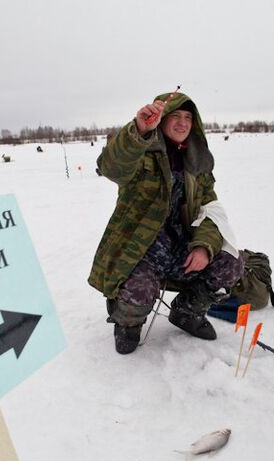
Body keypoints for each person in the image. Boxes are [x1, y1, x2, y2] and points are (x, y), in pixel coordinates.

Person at [88, 92, 243, 354]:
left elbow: (211, 209)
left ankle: (186, 312)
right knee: (139, 289)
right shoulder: (141, 151)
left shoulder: (198, 163)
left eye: (188, 118)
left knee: (232, 263)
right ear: (161, 119)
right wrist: (138, 131)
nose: (183, 123)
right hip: (140, 250)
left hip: (180, 249)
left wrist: (204, 246)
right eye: (175, 116)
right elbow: (111, 167)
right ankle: (127, 322)